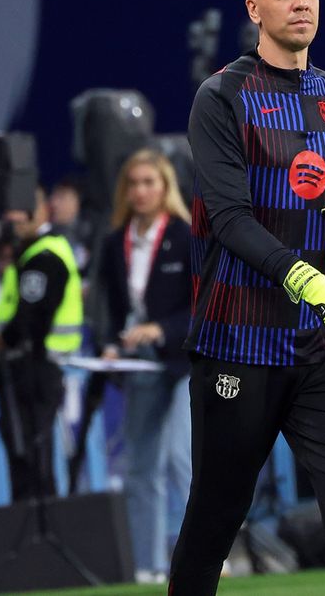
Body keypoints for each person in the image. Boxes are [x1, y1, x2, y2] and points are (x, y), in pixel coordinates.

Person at [169, 0, 325, 596]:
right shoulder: (222, 97)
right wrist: (305, 279)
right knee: (213, 522)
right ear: (255, 7)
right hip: (238, 342)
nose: (301, 3)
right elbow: (231, 219)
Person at [96, 149, 193, 584]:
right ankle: (147, 566)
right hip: (141, 364)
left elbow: (204, 306)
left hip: (185, 360)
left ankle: (204, 556)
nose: (140, 191)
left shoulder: (186, 235)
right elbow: (111, 309)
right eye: (133, 183)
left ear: (164, 186)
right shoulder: (114, 242)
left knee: (180, 458)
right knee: (140, 464)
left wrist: (161, 330)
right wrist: (111, 344)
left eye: (148, 182)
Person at [0, 188, 83, 501]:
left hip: (37, 371)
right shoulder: (28, 253)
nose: (15, 216)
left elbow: (29, 321)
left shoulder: (45, 255)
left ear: (43, 210)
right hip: (23, 370)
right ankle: (33, 535)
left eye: (24, 207)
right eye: (11, 208)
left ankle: (41, 538)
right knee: (25, 459)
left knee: (34, 462)